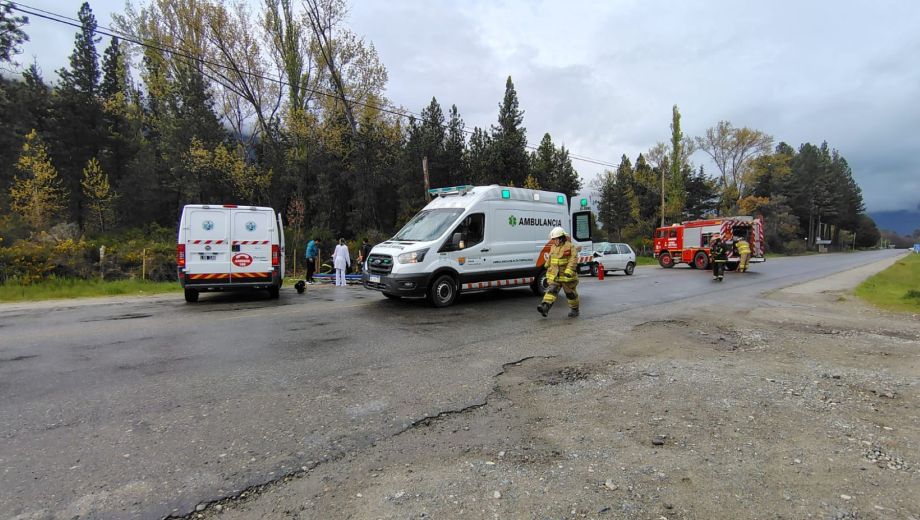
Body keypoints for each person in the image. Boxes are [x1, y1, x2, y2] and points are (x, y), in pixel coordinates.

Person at [538, 227, 580, 318]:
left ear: (562, 238)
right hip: (555, 276)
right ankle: (545, 307)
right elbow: (550, 258)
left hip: (566, 276)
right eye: (554, 239)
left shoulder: (570, 246)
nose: (555, 241)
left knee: (570, 293)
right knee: (551, 290)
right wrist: (546, 265)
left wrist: (569, 270)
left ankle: (574, 309)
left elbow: (573, 259)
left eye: (556, 239)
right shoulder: (553, 247)